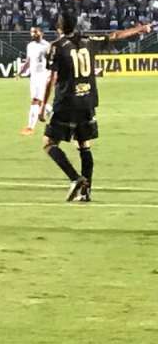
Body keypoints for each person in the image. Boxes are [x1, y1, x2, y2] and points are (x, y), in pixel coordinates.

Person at [40, 11, 152, 202]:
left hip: (66, 102)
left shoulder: (56, 47)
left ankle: (75, 178)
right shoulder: (89, 40)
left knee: (49, 143)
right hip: (87, 100)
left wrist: (43, 105)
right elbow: (115, 36)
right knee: (84, 145)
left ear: (58, 27)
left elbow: (52, 79)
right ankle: (86, 192)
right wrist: (140, 29)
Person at [19, 27, 49, 136]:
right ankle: (52, 113)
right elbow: (28, 60)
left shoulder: (46, 45)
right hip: (33, 76)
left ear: (41, 33)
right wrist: (21, 71)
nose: (33, 34)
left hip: (43, 76)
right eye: (32, 32)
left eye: (35, 32)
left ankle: (30, 127)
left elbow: (51, 61)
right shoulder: (30, 46)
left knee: (35, 100)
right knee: (39, 101)